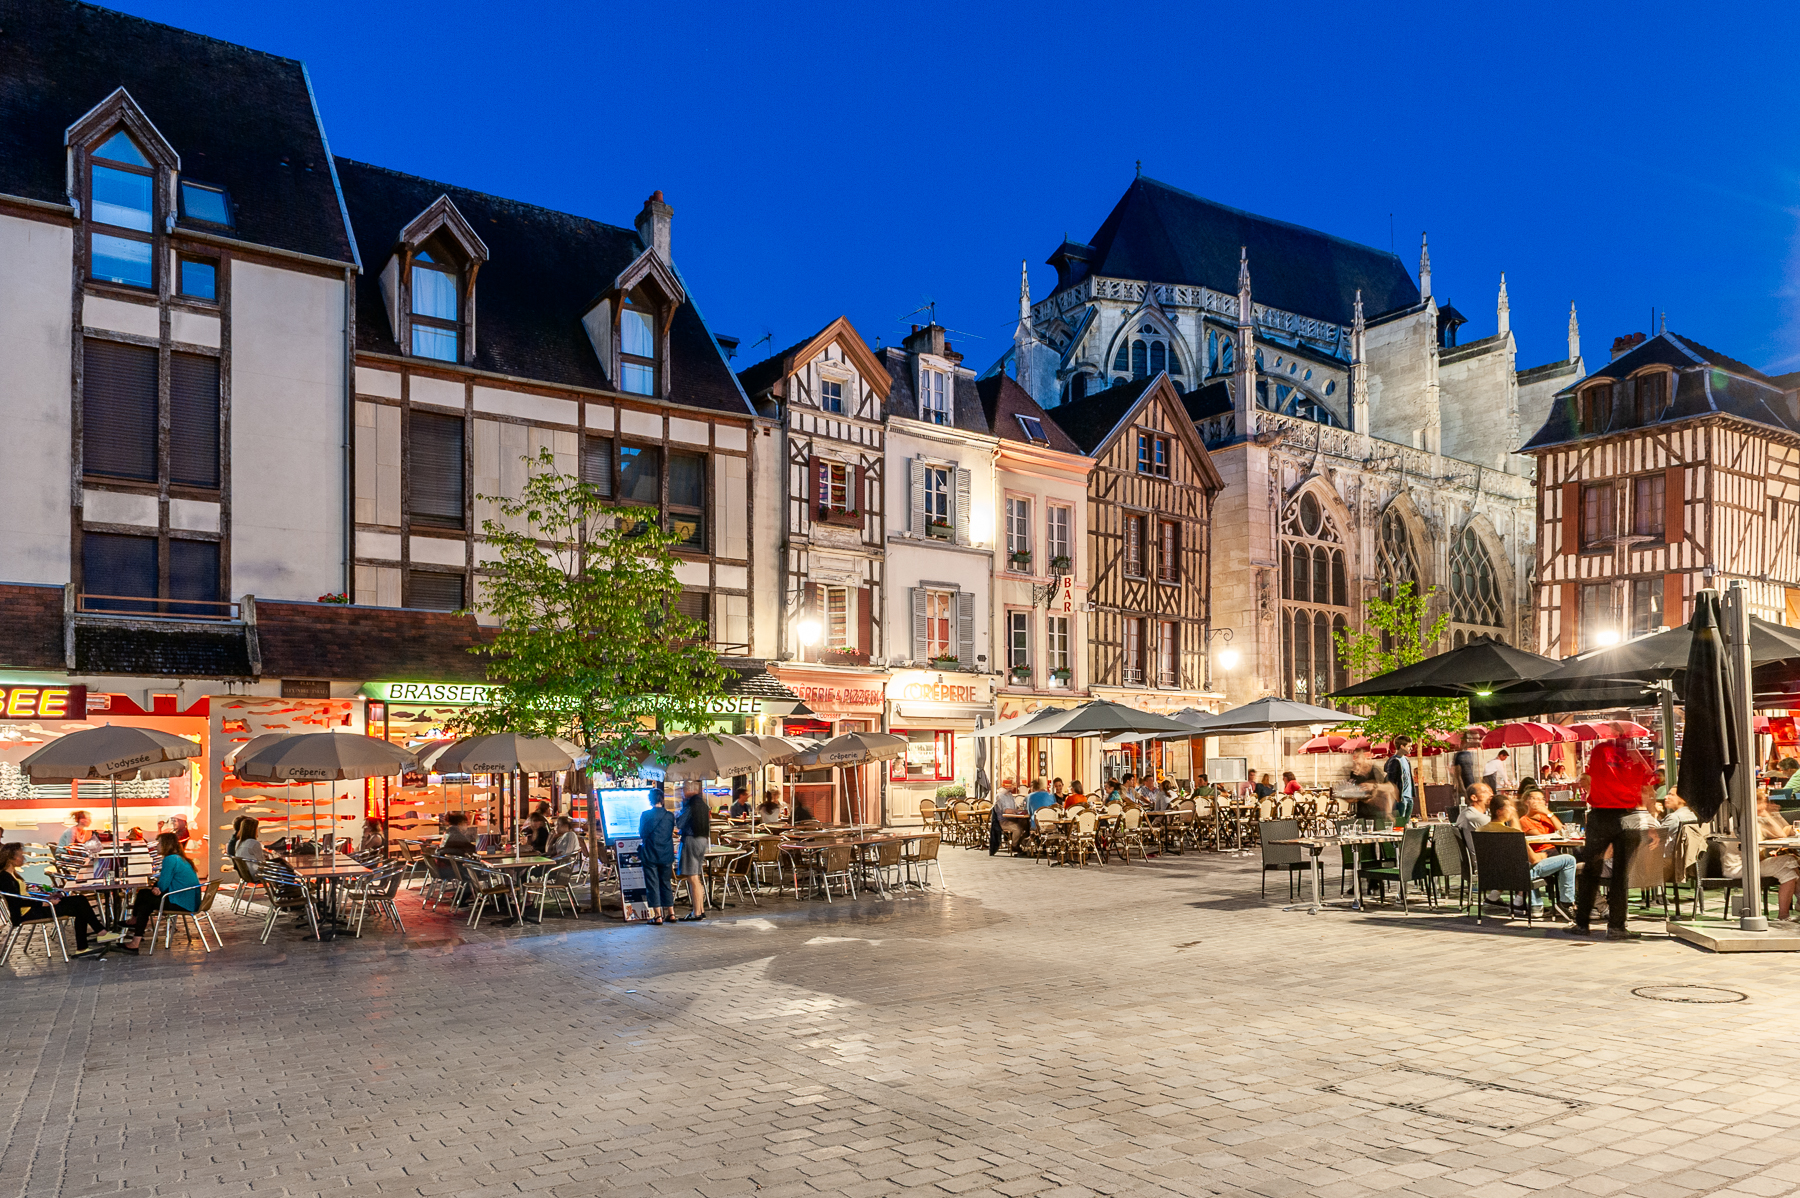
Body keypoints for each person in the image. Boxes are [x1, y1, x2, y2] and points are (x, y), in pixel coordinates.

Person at [1568, 737, 1654, 940]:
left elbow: (1590, 777)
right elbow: (1647, 785)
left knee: (1592, 869)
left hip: (1603, 815)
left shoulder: (1601, 750)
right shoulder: (1634, 756)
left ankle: (1582, 924)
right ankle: (1616, 926)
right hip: (1628, 815)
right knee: (1620, 874)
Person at [1480, 797, 1576, 920]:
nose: (1513, 809)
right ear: (1499, 811)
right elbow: (1534, 859)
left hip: (1494, 876)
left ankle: (1532, 905)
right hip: (1519, 876)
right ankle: (1566, 903)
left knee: (1530, 866)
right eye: (1509, 807)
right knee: (1568, 859)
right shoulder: (1512, 833)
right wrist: (1543, 855)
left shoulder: (1480, 830)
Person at [1, 842, 107, 953]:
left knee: (80, 900)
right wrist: (43, 903)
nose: (24, 858)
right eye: (21, 855)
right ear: (11, 858)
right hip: (27, 913)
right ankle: (94, 937)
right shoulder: (5, 878)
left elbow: (23, 895)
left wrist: (47, 896)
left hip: (33, 907)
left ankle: (90, 941)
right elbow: (16, 902)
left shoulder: (13, 874)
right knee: (80, 906)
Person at [117, 833, 200, 953]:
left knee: (143, 895)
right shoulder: (180, 858)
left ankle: (134, 922)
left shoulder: (170, 859)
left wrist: (158, 887)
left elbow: (164, 884)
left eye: (159, 843)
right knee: (145, 904)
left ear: (166, 845)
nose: (157, 846)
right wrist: (158, 887)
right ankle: (135, 941)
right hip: (188, 900)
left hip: (180, 901)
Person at [637, 791, 676, 925]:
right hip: (666, 853)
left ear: (650, 800)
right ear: (663, 799)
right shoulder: (670, 816)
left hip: (650, 853)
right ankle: (671, 913)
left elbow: (642, 833)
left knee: (652, 884)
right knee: (666, 883)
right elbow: (670, 832)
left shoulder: (645, 815)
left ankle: (658, 916)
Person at [675, 782, 710, 921]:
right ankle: (700, 909)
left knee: (692, 877)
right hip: (702, 840)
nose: (682, 793)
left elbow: (680, 823)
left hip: (691, 839)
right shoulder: (703, 804)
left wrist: (679, 810)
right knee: (697, 877)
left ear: (690, 791)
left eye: (683, 790)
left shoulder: (690, 805)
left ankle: (696, 913)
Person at [1517, 791, 1564, 855]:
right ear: (1526, 802)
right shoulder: (1524, 820)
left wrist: (1548, 813)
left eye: (1542, 799)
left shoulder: (1546, 817)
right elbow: (1541, 838)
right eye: (1535, 799)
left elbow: (1562, 830)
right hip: (1542, 852)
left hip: (1555, 849)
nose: (1540, 802)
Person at [1385, 739, 1416, 824]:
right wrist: (1396, 796)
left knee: (1406, 822)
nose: (1411, 748)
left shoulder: (1406, 760)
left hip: (1409, 797)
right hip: (1401, 798)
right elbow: (1391, 782)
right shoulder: (1394, 761)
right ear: (1402, 746)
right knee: (1399, 823)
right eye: (1409, 746)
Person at [989, 782, 1025, 855]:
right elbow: (1006, 811)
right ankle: (1015, 846)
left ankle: (1022, 844)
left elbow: (1014, 808)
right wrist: (1017, 811)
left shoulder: (1010, 795)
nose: (1014, 786)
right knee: (1017, 829)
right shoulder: (1000, 796)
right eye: (1012, 785)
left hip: (1013, 819)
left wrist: (1019, 809)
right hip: (1003, 821)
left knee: (1026, 826)